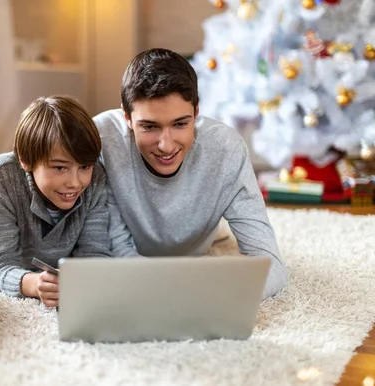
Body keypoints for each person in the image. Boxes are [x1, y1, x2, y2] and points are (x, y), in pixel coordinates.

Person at [93, 48, 287, 299]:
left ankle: (219, 235)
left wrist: (217, 295)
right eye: (149, 126)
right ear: (127, 117)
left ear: (196, 113)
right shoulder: (100, 138)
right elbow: (108, 248)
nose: (166, 145)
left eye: (180, 124)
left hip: (195, 249)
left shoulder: (225, 148)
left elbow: (271, 265)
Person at [0, 95, 111, 307]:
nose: (75, 183)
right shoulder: (0, 177)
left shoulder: (96, 179)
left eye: (84, 166)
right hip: (17, 262)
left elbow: (95, 252)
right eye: (59, 168)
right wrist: (34, 284)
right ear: (26, 160)